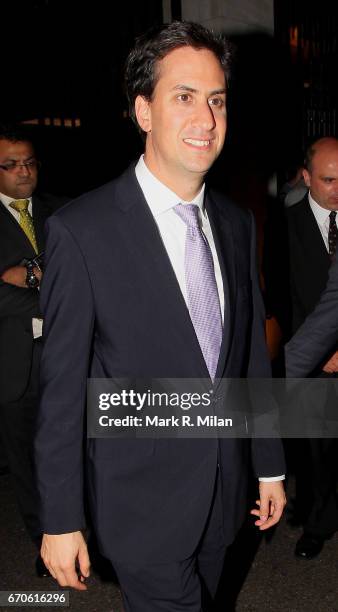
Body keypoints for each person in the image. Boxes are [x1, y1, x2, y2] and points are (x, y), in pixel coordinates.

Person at [36, 22, 286, 611]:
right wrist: (60, 518)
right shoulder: (81, 231)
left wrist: (269, 465)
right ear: (142, 110)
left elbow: (248, 358)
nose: (206, 118)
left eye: (216, 100)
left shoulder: (236, 222)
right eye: (184, 97)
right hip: (139, 501)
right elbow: (61, 392)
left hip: (223, 492)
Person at [0, 123, 68, 576]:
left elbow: (82, 281)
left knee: (70, 448)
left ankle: (77, 530)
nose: (23, 172)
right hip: (13, 363)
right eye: (10, 165)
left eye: (29, 162)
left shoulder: (61, 212)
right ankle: (45, 543)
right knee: (24, 460)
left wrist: (26, 274)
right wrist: (51, 285)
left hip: (63, 354)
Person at [286, 137, 338, 559]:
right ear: (306, 178)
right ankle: (318, 523)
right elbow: (288, 305)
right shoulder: (283, 228)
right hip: (313, 364)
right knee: (316, 450)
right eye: (328, 179)